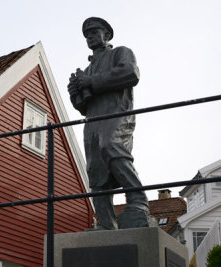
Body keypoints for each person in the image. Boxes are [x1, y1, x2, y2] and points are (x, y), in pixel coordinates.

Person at [68, 17, 150, 230]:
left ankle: (138, 201)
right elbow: (84, 107)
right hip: (93, 121)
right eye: (87, 35)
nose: (90, 37)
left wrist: (91, 82)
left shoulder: (120, 53)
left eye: (94, 32)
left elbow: (130, 73)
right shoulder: (86, 70)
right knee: (95, 169)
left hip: (117, 114)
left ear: (107, 34)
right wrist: (76, 94)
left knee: (111, 147)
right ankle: (105, 222)